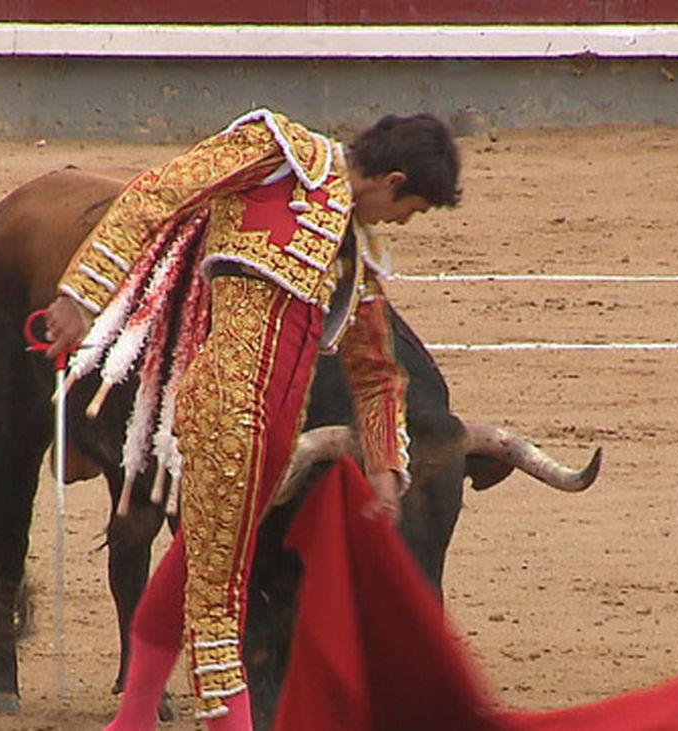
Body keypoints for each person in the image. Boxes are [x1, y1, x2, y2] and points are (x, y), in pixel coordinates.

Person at [42, 108, 460, 730]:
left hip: (276, 437)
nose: (403, 223)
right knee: (219, 608)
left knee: (190, 573)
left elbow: (375, 367)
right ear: (394, 181)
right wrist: (80, 297)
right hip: (226, 417)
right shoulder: (277, 152)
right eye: (413, 209)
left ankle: (129, 723)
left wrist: (383, 466)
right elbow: (158, 192)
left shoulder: (355, 246)